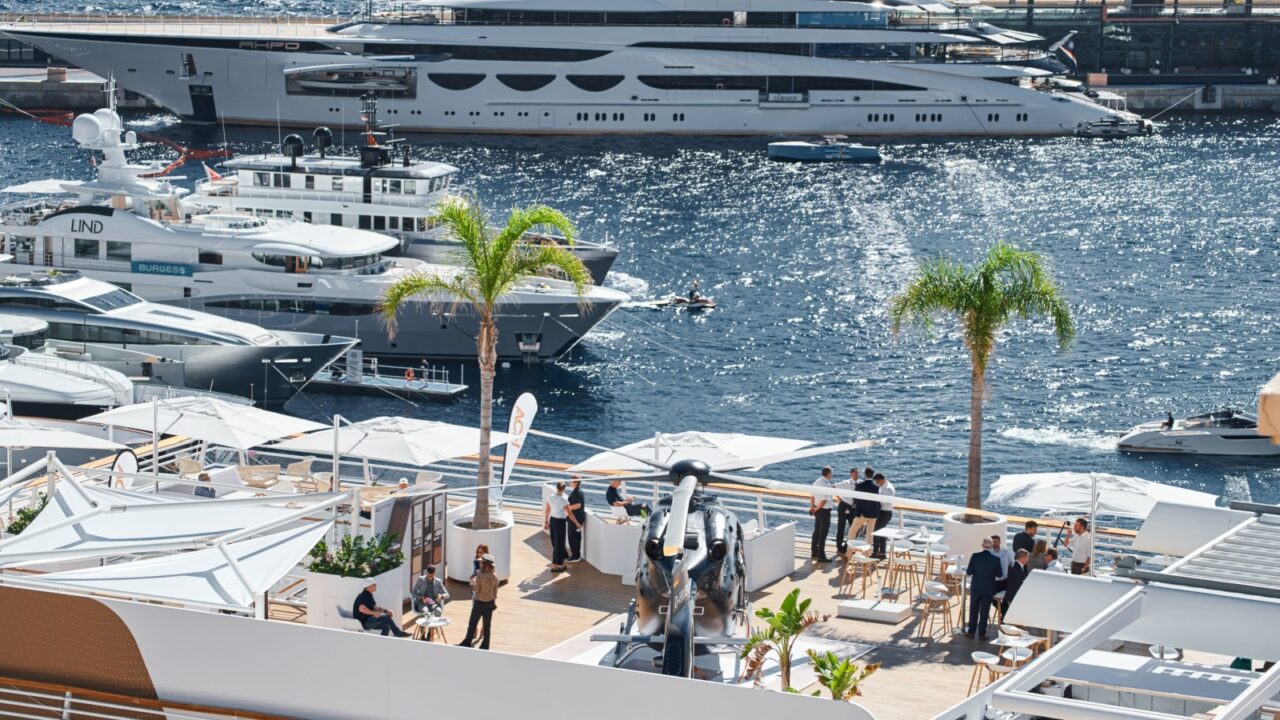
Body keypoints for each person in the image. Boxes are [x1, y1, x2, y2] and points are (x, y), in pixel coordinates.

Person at [965, 538, 1003, 639]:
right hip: (989, 588)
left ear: (982, 545)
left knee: (973, 609)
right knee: (984, 611)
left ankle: (971, 632)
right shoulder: (996, 559)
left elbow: (969, 572)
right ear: (991, 547)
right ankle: (982, 634)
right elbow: (1000, 574)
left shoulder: (975, 556)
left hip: (976, 587)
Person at [458, 555, 498, 650]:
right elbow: (495, 592)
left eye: (482, 562)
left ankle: (467, 642)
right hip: (490, 604)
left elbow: (476, 589)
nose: (480, 564)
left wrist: (473, 581)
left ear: (486, 565)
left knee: (472, 623)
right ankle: (485, 645)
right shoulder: (495, 576)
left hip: (479, 603)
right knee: (487, 626)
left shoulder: (480, 575)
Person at [848, 470, 879, 550]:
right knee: (869, 535)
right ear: (873, 475)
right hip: (873, 514)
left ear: (865, 475)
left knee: (852, 531)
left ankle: (849, 553)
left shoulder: (859, 485)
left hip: (862, 513)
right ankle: (866, 556)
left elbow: (855, 498)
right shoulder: (877, 487)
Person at [544, 481, 570, 572]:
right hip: (560, 522)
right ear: (564, 489)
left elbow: (547, 511)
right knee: (559, 543)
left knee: (555, 542)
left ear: (556, 487)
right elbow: (570, 514)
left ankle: (561, 560)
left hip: (552, 521)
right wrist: (577, 523)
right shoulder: (564, 499)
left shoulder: (550, 497)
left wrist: (546, 522)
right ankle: (557, 565)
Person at [809, 467, 833, 562]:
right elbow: (823, 501)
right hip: (823, 511)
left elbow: (812, 497)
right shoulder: (826, 485)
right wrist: (816, 509)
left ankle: (814, 552)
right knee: (823, 534)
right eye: (831, 473)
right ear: (829, 473)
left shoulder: (816, 482)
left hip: (817, 509)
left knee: (816, 532)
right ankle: (821, 556)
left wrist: (813, 508)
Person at [872, 472, 895, 559]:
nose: (877, 484)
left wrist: (876, 501)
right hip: (881, 512)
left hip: (886, 513)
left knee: (877, 532)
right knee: (880, 532)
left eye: (877, 482)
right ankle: (882, 552)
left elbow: (887, 501)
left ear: (880, 480)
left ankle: (876, 552)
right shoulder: (883, 486)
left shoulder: (889, 488)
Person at [832, 469, 854, 556]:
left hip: (853, 508)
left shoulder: (860, 482)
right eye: (854, 474)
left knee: (853, 528)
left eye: (857, 474)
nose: (856, 475)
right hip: (844, 506)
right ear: (851, 474)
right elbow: (833, 487)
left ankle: (847, 546)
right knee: (841, 527)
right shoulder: (846, 483)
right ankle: (839, 547)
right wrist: (839, 498)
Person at [1002, 549, 1030, 616]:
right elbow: (1017, 584)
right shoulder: (1016, 567)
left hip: (1013, 596)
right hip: (1014, 597)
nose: (1028, 559)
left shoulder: (1014, 565)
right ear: (1023, 557)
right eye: (1027, 557)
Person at [565, 478, 586, 563]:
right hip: (577, 518)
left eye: (571, 481)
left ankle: (575, 556)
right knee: (576, 537)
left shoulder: (577, 492)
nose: (570, 482)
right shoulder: (579, 491)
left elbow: (578, 505)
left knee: (573, 537)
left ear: (576, 482)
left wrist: (567, 508)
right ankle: (576, 555)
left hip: (575, 518)